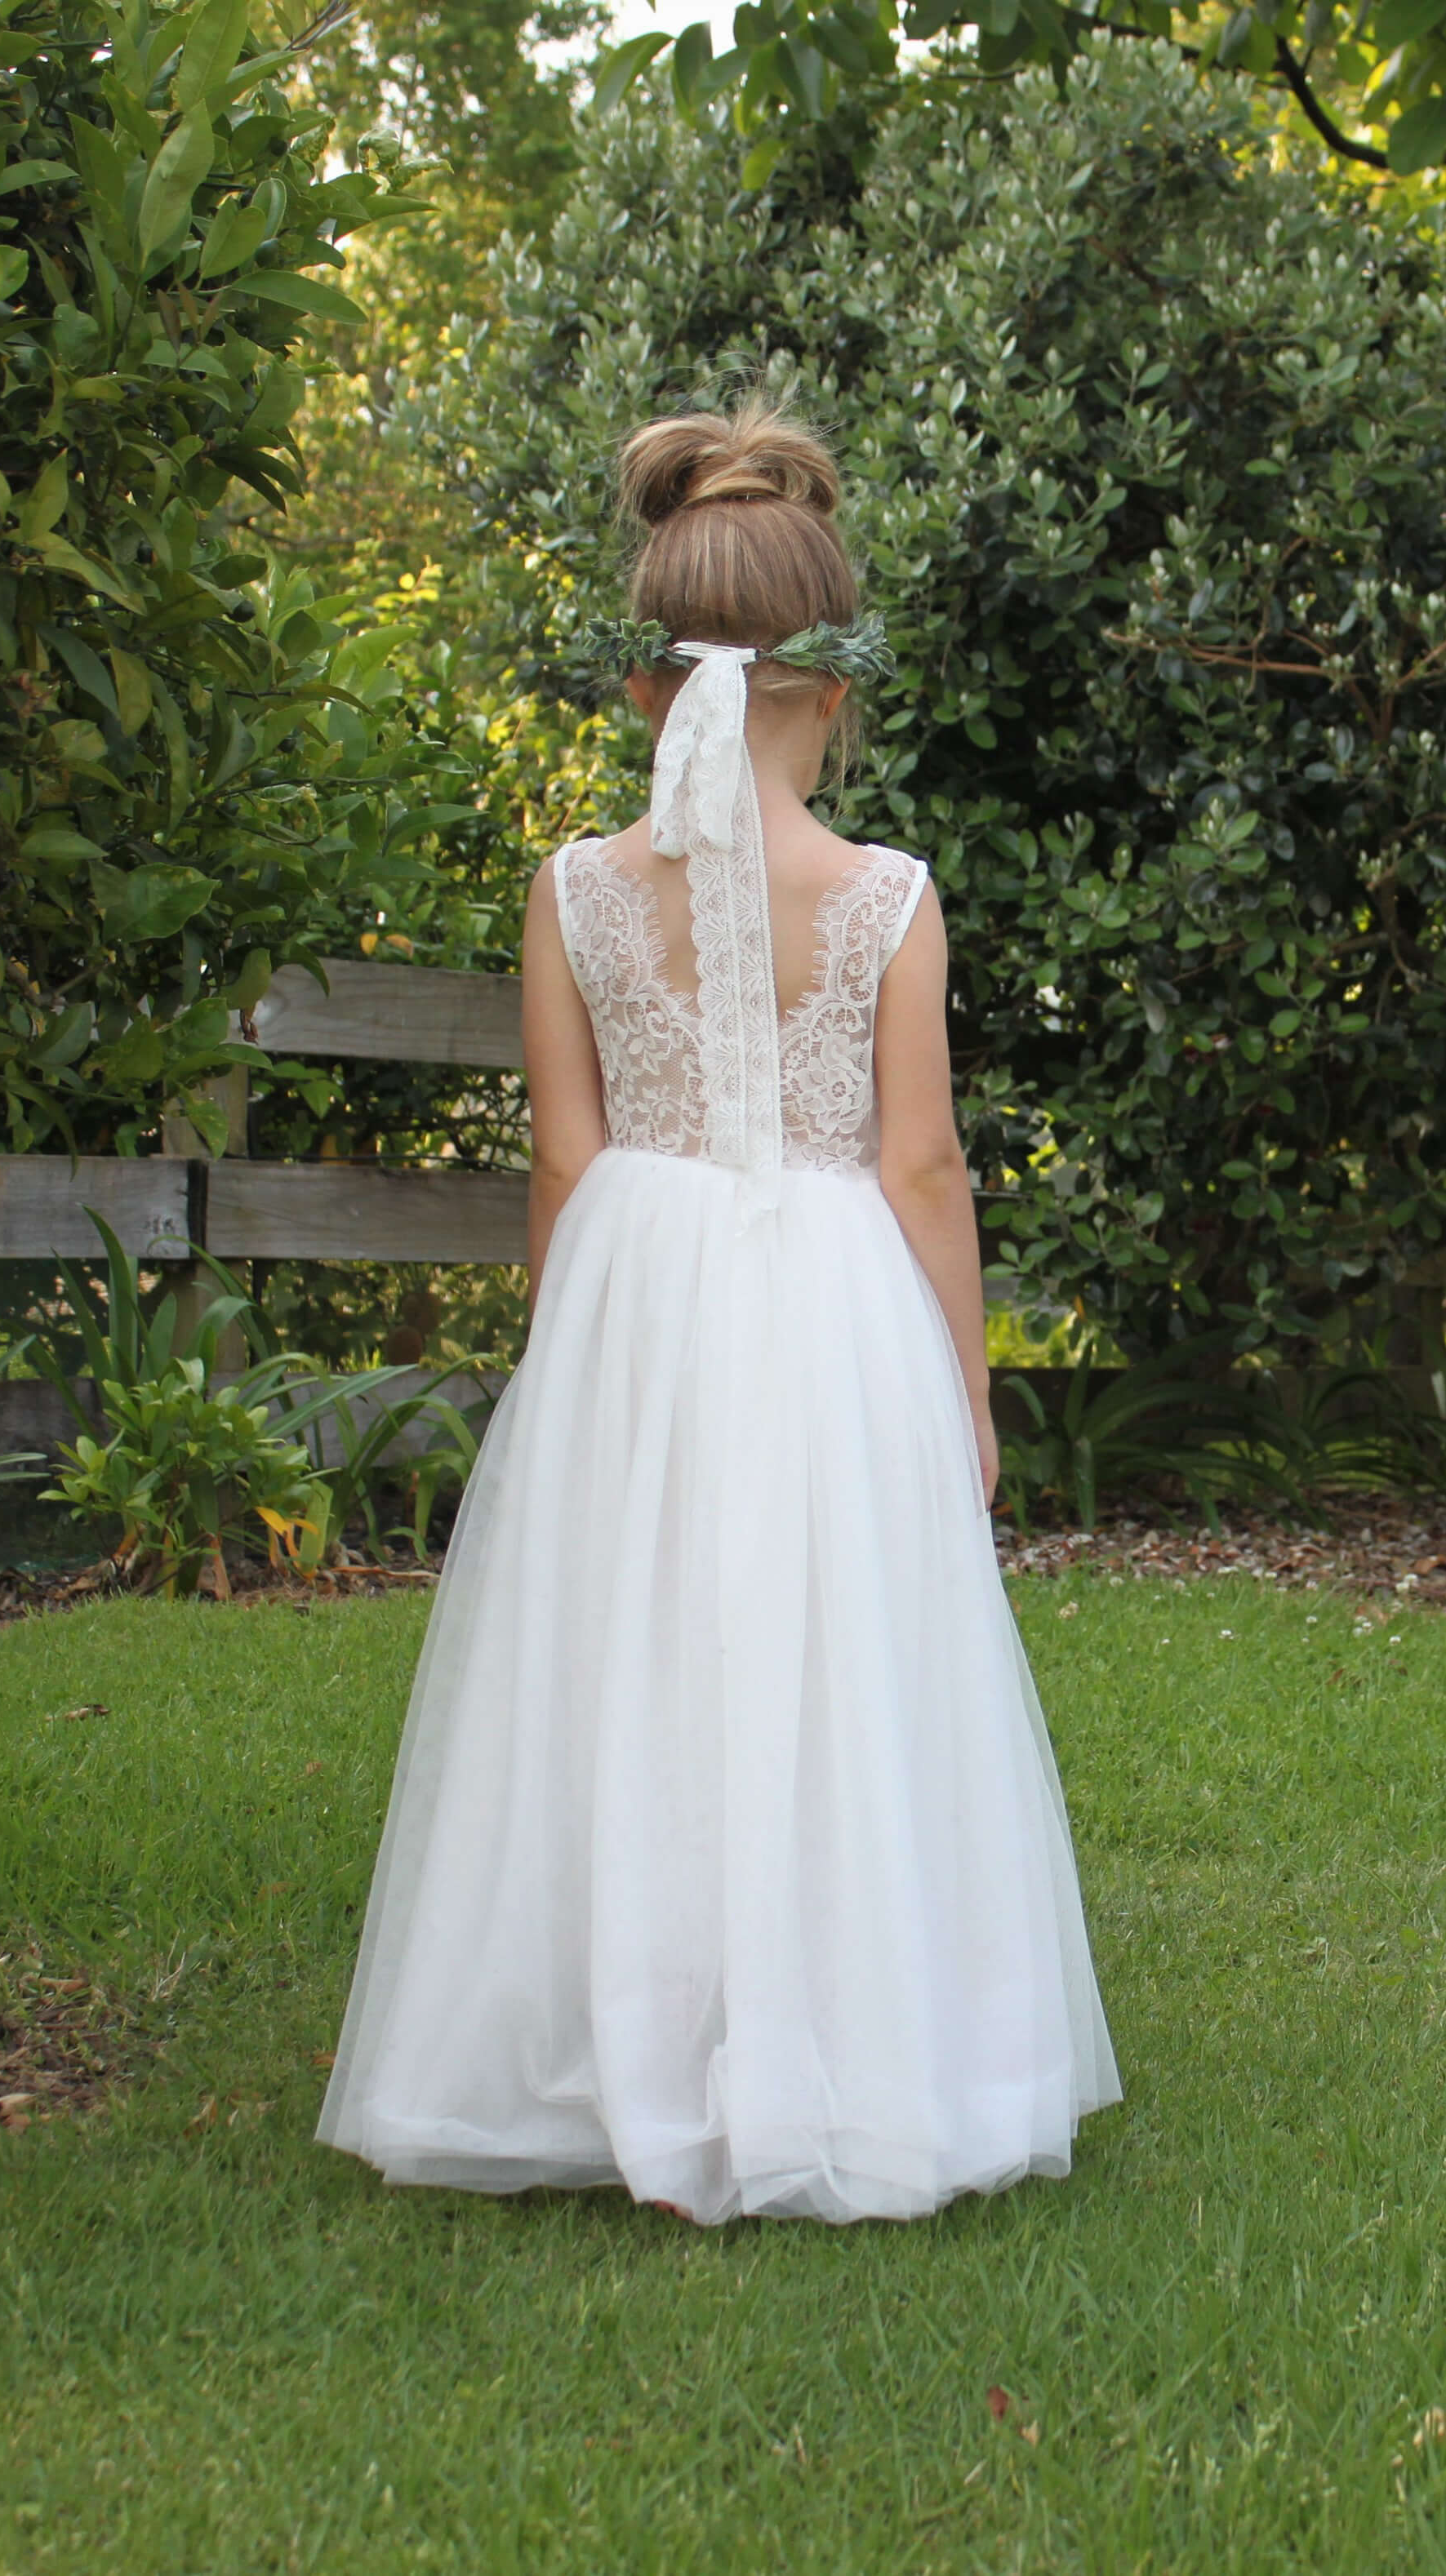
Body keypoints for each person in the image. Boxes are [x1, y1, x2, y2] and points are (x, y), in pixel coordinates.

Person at [317, 397, 1119, 2223]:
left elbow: (563, 1159)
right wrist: (967, 1393)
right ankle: (853, 2046)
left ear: (637, 694)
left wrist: (569, 1369)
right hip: (833, 1308)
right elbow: (920, 1168)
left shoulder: (576, 894)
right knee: (830, 1663)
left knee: (640, 1672)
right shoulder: (889, 897)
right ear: (829, 696)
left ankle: (632, 2053)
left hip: (636, 1300)